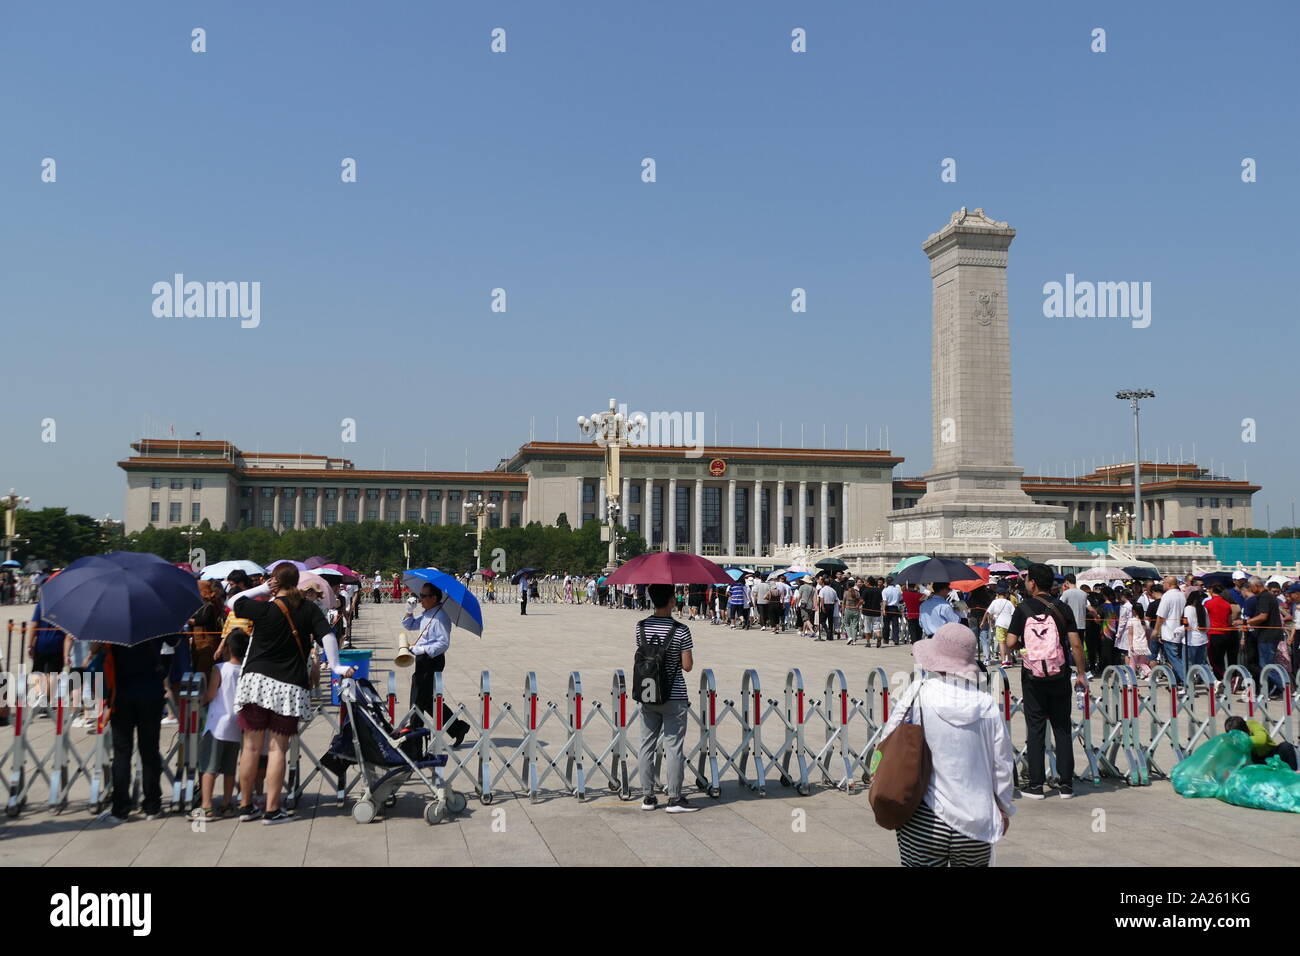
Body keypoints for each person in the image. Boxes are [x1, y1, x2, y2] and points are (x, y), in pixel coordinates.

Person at [879, 623, 1015, 867]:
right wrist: (1003, 808)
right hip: (976, 820)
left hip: (924, 816)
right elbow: (1002, 763)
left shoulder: (917, 694)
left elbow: (887, 740)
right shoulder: (986, 704)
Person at [226, 564, 354, 824]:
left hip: (256, 681)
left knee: (250, 748)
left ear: (275, 581)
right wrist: (337, 665)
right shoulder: (307, 609)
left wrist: (262, 588)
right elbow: (328, 636)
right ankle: (272, 809)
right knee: (277, 749)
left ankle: (246, 805)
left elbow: (233, 601)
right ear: (297, 582)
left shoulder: (264, 607)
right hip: (288, 685)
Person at [1005, 563, 1087, 799]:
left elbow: (1010, 643)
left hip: (1033, 676)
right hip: (1059, 673)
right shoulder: (1062, 608)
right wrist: (1080, 673)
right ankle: (1066, 785)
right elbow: (1075, 644)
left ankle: (1036, 784)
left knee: (1036, 726)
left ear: (1032, 582)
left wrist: (1027, 647)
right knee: (1061, 726)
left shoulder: (1022, 609)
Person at [103, 632, 181, 821]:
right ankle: (152, 806)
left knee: (122, 753)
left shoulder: (113, 623)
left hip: (121, 695)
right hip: (150, 692)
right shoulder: (154, 618)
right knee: (150, 751)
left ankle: (120, 808)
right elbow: (173, 641)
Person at [636, 583, 697, 813]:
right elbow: (687, 666)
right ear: (672, 600)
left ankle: (648, 796)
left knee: (646, 745)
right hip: (674, 694)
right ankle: (674, 797)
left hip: (648, 692)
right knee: (673, 746)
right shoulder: (681, 629)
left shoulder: (641, 627)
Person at [402, 582, 471, 748]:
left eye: (424, 596)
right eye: (420, 595)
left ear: (434, 598)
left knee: (417, 699)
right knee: (427, 701)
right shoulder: (429, 613)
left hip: (431, 660)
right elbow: (410, 625)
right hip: (423, 658)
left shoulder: (440, 616)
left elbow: (443, 643)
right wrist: (409, 611)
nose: (421, 599)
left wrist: (421, 649)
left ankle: (414, 741)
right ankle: (457, 727)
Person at [191, 629, 248, 821]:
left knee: (209, 766)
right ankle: (226, 804)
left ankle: (206, 805)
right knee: (229, 768)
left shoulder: (220, 669)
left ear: (228, 648)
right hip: (236, 724)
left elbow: (211, 693)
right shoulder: (246, 670)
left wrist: (201, 701)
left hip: (217, 724)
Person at [1245, 576, 1284, 698]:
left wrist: (1246, 622)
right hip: (1268, 635)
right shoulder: (1266, 597)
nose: (1250, 590)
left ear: (1256, 586)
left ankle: (1283, 687)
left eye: (1251, 587)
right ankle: (1276, 689)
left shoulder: (1265, 597)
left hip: (1268, 636)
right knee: (1267, 664)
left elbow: (1263, 616)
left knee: (1267, 665)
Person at [1223, 716, 1298, 771]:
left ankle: (1293, 775)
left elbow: (1261, 740)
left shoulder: (1252, 725)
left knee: (1286, 746)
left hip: (1271, 756)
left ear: (1245, 730)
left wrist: (1242, 739)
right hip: (1254, 761)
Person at [1154, 576, 1188, 683]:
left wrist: (1156, 630)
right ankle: (1177, 680)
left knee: (1174, 659)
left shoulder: (1167, 596)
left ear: (1169, 584)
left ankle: (1187, 681)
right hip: (1181, 632)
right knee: (1178, 658)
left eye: (1164, 583)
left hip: (1170, 632)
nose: (1163, 585)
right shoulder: (1181, 595)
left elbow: (1161, 616)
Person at [983, 585, 1017, 667]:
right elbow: (1014, 613)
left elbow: (987, 612)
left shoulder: (995, 602)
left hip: (1000, 624)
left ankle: (1003, 661)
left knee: (1002, 643)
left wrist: (983, 622)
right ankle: (1009, 660)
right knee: (1008, 643)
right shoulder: (1009, 602)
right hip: (1009, 624)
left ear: (997, 594)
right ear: (1005, 594)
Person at [881, 576, 902, 645]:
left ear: (886, 582)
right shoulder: (897, 590)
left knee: (886, 625)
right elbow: (900, 599)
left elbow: (885, 601)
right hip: (895, 608)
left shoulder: (885, 590)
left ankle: (886, 639)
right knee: (895, 625)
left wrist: (883, 609)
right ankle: (896, 639)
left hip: (888, 608)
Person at [816, 576, 838, 642]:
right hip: (831, 605)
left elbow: (821, 599)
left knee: (822, 620)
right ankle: (830, 636)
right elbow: (836, 600)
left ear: (824, 583)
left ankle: (827, 630)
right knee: (830, 621)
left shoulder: (822, 590)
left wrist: (822, 607)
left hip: (825, 605)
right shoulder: (833, 590)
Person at [842, 577, 863, 645]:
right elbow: (861, 601)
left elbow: (843, 603)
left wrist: (842, 610)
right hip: (856, 610)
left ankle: (850, 636)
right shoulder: (857, 592)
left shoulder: (846, 593)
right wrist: (857, 605)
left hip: (848, 609)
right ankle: (854, 641)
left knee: (846, 624)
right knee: (854, 625)